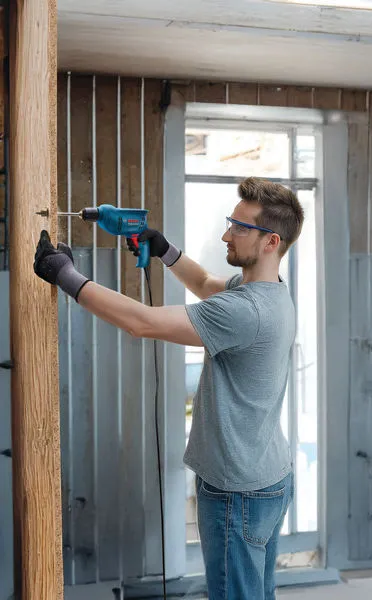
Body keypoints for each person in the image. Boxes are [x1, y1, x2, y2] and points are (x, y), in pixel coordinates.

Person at [34, 176, 304, 600]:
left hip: (237, 493)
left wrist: (66, 275)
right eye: (229, 221)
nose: (225, 234)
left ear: (270, 241)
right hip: (269, 477)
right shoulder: (266, 292)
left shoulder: (246, 311)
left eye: (239, 227)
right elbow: (205, 285)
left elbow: (142, 322)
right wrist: (163, 249)